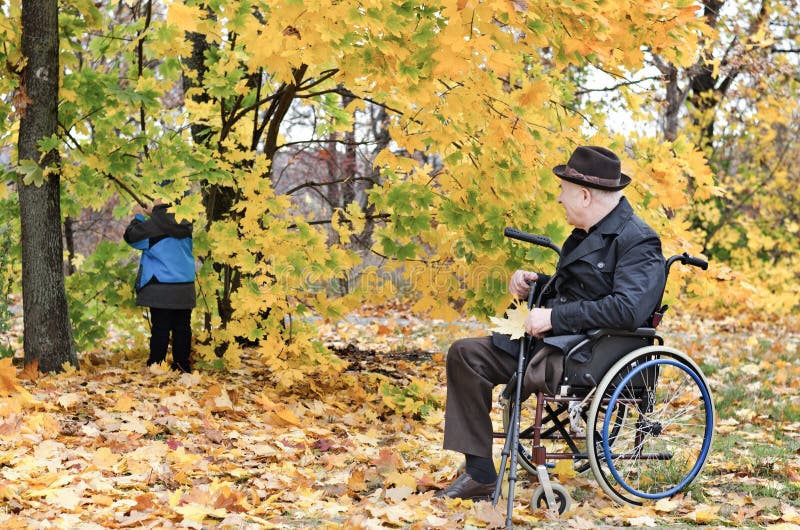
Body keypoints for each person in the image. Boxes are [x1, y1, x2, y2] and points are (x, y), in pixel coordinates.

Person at [436, 146, 666, 500]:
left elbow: (627, 310)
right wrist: (537, 283)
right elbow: (577, 291)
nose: (559, 199)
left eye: (564, 191)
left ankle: (500, 463)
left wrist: (555, 318)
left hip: (589, 354)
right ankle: (480, 473)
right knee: (466, 354)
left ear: (586, 196)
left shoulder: (638, 240)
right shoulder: (585, 234)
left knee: (518, 362)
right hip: (556, 343)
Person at [124, 201, 196, 373]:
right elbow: (166, 222)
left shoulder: (151, 227)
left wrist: (139, 217)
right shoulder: (185, 222)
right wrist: (154, 216)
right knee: (182, 328)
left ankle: (156, 365)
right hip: (184, 287)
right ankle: (182, 366)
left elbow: (131, 237)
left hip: (160, 286)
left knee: (160, 329)